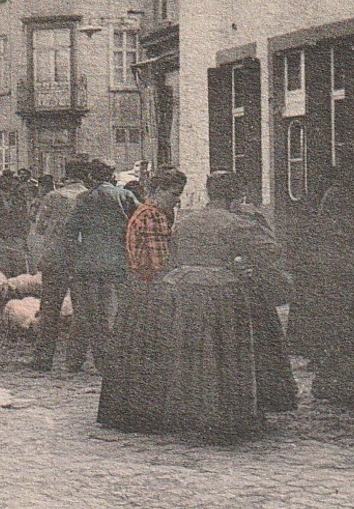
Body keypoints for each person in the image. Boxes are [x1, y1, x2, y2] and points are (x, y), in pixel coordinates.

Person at [98, 170, 296, 438]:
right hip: (220, 292)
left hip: (182, 291)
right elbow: (270, 251)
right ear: (237, 196)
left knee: (187, 353)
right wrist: (252, 223)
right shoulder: (237, 222)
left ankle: (185, 410)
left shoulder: (187, 221)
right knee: (224, 352)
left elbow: (173, 257)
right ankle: (223, 412)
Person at [98, 168, 187, 428]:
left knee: (131, 353)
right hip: (151, 289)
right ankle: (147, 414)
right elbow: (160, 263)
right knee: (150, 352)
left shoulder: (145, 212)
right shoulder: (154, 216)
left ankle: (128, 411)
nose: (177, 199)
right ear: (158, 191)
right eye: (174, 193)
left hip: (137, 290)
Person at [296, 144, 354, 403]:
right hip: (337, 270)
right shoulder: (339, 195)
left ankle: (336, 381)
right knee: (342, 326)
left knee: (343, 328)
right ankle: (333, 383)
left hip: (340, 267)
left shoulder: (347, 193)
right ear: (349, 169)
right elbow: (334, 232)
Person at [63, 159, 139, 372]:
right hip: (116, 263)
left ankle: (74, 362)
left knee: (83, 315)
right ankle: (106, 362)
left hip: (86, 265)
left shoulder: (84, 198)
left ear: (91, 177)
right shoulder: (125, 196)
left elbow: (69, 232)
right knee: (110, 314)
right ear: (112, 174)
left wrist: (77, 254)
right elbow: (140, 225)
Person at [28, 156, 90, 370]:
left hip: (55, 260)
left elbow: (40, 229)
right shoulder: (88, 197)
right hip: (82, 260)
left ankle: (43, 358)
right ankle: (75, 359)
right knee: (81, 311)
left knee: (49, 310)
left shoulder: (52, 197)